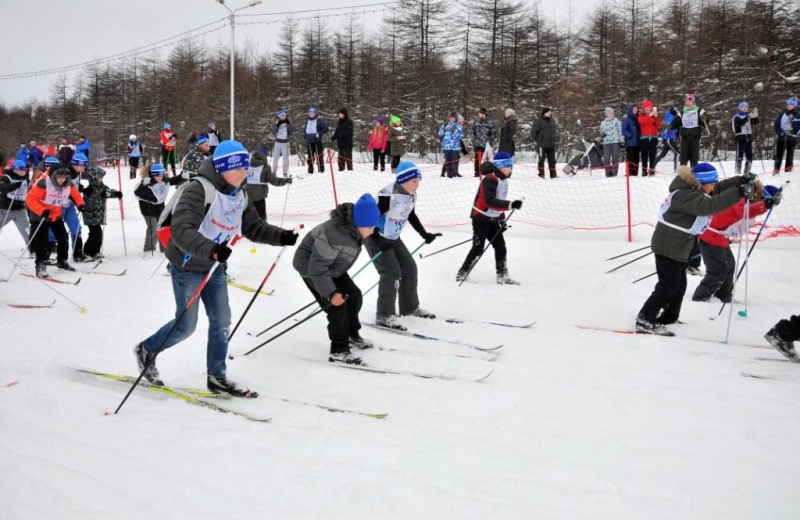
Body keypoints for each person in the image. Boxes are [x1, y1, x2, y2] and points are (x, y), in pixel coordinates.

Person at [135, 140, 299, 395]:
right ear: (222, 168)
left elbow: (254, 227)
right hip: (188, 265)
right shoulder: (198, 190)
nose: (243, 174)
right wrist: (211, 249)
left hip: (214, 267)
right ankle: (147, 349)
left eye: (245, 169)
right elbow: (182, 230)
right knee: (186, 326)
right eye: (237, 169)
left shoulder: (239, 194)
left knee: (222, 321)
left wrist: (281, 236)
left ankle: (217, 376)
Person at [636, 163, 753, 335]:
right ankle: (645, 319)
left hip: (678, 246)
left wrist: (739, 181)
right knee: (668, 286)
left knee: (679, 286)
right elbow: (710, 206)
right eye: (711, 183)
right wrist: (739, 192)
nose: (714, 186)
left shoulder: (694, 189)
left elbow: (717, 189)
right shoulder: (686, 196)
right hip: (668, 246)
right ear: (701, 182)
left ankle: (669, 318)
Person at [293, 193, 380, 366]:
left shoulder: (354, 228)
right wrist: (331, 293)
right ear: (359, 223)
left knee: (353, 296)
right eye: (370, 227)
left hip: (333, 267)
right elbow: (317, 269)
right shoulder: (334, 236)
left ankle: (351, 334)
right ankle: (339, 351)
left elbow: (362, 236)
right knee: (337, 305)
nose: (373, 231)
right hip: (312, 269)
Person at [365, 162, 441, 331]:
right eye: (414, 181)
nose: (417, 185)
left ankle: (410, 308)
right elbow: (369, 220)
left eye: (419, 181)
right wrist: (377, 240)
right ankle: (384, 315)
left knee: (409, 268)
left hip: (393, 238)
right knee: (391, 272)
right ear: (403, 180)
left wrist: (424, 233)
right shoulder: (388, 196)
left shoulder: (410, 195)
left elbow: (410, 214)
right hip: (374, 238)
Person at [692, 181, 778, 303]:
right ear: (760, 196)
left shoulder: (749, 201)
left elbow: (747, 213)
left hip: (720, 237)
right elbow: (742, 212)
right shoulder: (742, 199)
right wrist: (765, 205)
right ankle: (700, 297)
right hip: (711, 236)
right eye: (763, 199)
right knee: (718, 270)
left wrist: (765, 205)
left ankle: (722, 295)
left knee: (730, 265)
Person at [456, 152, 523, 285]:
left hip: (493, 219)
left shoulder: (503, 181)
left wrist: (502, 221)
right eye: (508, 166)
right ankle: (462, 274)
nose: (511, 169)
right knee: (478, 248)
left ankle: (502, 276)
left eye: (511, 166)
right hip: (480, 218)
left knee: (501, 246)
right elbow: (490, 202)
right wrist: (510, 205)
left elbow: (500, 202)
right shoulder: (490, 179)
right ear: (500, 166)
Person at [25, 165, 85, 277]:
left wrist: (80, 204)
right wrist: (42, 210)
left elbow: (75, 195)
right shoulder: (43, 184)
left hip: (56, 215)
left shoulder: (67, 184)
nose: (62, 180)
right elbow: (30, 199)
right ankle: (40, 265)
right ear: (53, 176)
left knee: (63, 237)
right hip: (40, 215)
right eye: (59, 177)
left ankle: (62, 261)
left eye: (64, 177)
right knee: (42, 241)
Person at [134, 163, 182, 253]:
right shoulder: (147, 181)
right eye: (157, 176)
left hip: (159, 208)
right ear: (152, 175)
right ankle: (149, 248)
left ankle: (164, 247)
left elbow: (172, 181)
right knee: (153, 228)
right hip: (147, 209)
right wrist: (143, 185)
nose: (160, 178)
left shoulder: (163, 180)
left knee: (162, 227)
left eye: (161, 175)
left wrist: (182, 176)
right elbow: (137, 193)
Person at [81, 166, 122, 260]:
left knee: (94, 233)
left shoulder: (102, 187)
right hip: (90, 215)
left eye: (101, 177)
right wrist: (85, 194)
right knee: (97, 233)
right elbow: (86, 199)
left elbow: (109, 192)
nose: (101, 179)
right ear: (93, 178)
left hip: (98, 215)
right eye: (99, 177)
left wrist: (116, 194)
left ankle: (88, 251)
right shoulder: (89, 189)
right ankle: (93, 252)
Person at [246, 150, 292, 220]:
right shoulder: (265, 168)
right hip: (259, 198)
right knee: (261, 220)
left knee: (249, 219)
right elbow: (274, 181)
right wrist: (285, 181)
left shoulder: (248, 167)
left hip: (247, 198)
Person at [672, 94, 708, 167]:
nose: (687, 103)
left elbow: (706, 122)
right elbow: (675, 123)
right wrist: (670, 125)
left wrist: (704, 118)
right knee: (683, 157)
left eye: (689, 101)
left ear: (693, 102)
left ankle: (694, 173)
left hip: (695, 137)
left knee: (694, 157)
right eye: (686, 101)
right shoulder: (682, 112)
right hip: (685, 137)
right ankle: (682, 174)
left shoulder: (699, 111)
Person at [64, 154, 88, 262]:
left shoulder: (77, 173)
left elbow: (75, 186)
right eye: (82, 166)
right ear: (74, 164)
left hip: (70, 206)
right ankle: (48, 255)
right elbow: (67, 191)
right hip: (59, 206)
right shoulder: (65, 173)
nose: (83, 169)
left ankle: (77, 254)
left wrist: (83, 189)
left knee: (76, 228)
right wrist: (79, 203)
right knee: (55, 231)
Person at [0, 160, 31, 244]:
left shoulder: (25, 179)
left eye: (24, 170)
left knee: (27, 230)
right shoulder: (6, 177)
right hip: (5, 209)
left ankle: (32, 249)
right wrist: (15, 185)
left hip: (20, 210)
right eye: (21, 170)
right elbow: (3, 188)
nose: (23, 172)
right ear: (15, 170)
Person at [772, 98, 800, 173]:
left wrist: (793, 123)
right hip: (782, 137)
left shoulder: (798, 115)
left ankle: (788, 170)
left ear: (795, 106)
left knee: (790, 155)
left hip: (791, 138)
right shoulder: (782, 114)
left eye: (791, 104)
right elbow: (776, 125)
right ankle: (776, 169)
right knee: (779, 154)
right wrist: (780, 132)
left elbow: (798, 128)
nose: (789, 106)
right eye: (788, 104)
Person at [732, 102, 759, 175]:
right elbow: (739, 123)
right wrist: (749, 117)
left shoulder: (748, 116)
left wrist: (755, 116)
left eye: (746, 107)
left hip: (748, 138)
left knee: (749, 155)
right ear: (739, 108)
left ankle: (747, 171)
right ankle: (737, 171)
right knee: (739, 155)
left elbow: (755, 123)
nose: (745, 108)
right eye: (743, 107)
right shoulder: (736, 116)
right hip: (740, 138)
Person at [531, 107, 558, 178]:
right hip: (542, 145)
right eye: (548, 112)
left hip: (551, 145)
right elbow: (533, 133)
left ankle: (553, 174)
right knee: (541, 160)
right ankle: (541, 174)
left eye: (550, 112)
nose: (550, 113)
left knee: (552, 160)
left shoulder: (552, 121)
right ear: (544, 113)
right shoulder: (538, 121)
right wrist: (539, 141)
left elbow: (554, 132)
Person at [638, 100, 661, 176]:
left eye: (649, 107)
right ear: (644, 108)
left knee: (652, 155)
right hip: (644, 138)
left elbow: (659, 124)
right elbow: (642, 122)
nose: (648, 108)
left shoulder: (654, 115)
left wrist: (656, 116)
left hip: (653, 138)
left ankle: (652, 170)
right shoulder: (641, 115)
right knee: (644, 155)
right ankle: (644, 170)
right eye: (646, 107)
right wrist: (649, 115)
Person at [653, 107, 680, 172]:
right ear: (673, 111)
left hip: (670, 138)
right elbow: (666, 128)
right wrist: (665, 137)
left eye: (677, 110)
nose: (677, 111)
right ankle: (676, 170)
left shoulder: (673, 117)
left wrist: (677, 133)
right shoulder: (671, 118)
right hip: (669, 138)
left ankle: (652, 166)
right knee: (677, 153)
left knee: (663, 154)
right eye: (676, 110)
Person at [470, 108, 496, 177]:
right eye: (478, 113)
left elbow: (493, 133)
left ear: (484, 114)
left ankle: (487, 172)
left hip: (486, 144)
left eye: (480, 113)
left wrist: (490, 140)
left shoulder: (490, 122)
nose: (478, 114)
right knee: (477, 159)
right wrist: (473, 138)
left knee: (487, 159)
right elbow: (472, 131)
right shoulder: (476, 121)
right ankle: (477, 173)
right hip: (477, 144)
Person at [304, 108, 329, 174]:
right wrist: (305, 136)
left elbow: (326, 128)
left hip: (317, 141)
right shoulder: (307, 121)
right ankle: (310, 171)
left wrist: (319, 133)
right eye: (310, 113)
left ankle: (321, 170)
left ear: (315, 113)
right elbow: (305, 130)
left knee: (319, 156)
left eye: (313, 113)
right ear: (308, 114)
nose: (311, 114)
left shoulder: (319, 120)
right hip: (309, 141)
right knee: (310, 157)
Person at [438, 112, 463, 178]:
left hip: (455, 146)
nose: (451, 119)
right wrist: (444, 130)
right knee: (448, 159)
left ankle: (454, 173)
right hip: (446, 146)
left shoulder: (458, 126)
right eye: (451, 117)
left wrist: (453, 131)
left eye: (453, 118)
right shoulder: (445, 124)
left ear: (456, 119)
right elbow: (440, 133)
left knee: (454, 159)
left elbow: (460, 135)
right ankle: (449, 173)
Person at [600, 107, 623, 177]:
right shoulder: (603, 123)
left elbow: (620, 131)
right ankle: (608, 172)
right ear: (606, 114)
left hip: (615, 142)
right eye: (609, 113)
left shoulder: (616, 121)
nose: (611, 114)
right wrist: (602, 134)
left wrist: (622, 139)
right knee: (606, 158)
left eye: (612, 112)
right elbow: (601, 131)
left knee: (615, 158)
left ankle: (614, 173)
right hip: (606, 142)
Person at [271, 110, 293, 176]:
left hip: (285, 142)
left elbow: (291, 131)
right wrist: (278, 125)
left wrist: (288, 123)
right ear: (279, 116)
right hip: (277, 142)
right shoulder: (276, 122)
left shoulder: (287, 122)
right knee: (275, 158)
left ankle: (285, 172)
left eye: (285, 116)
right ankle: (274, 171)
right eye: (282, 116)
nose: (284, 117)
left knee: (285, 158)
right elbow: (273, 132)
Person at [622, 103, 641, 176]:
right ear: (630, 110)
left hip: (637, 142)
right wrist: (630, 135)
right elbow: (624, 130)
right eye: (634, 109)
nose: (636, 110)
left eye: (636, 109)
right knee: (631, 158)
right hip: (630, 143)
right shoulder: (627, 119)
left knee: (636, 158)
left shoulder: (638, 118)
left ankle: (635, 172)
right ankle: (630, 172)